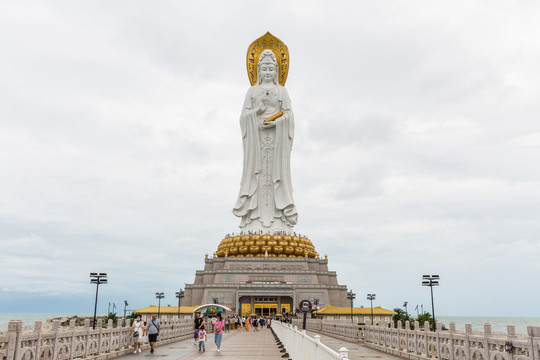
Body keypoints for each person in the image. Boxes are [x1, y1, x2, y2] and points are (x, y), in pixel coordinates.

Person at [233, 49, 298, 232]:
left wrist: (277, 122)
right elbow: (243, 117)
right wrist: (257, 112)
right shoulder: (252, 91)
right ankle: (254, 219)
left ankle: (279, 219)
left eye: (271, 69)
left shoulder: (282, 91)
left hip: (277, 141)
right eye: (264, 69)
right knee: (258, 174)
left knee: (276, 175)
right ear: (258, 70)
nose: (268, 72)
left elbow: (290, 117)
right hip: (257, 142)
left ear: (276, 71)